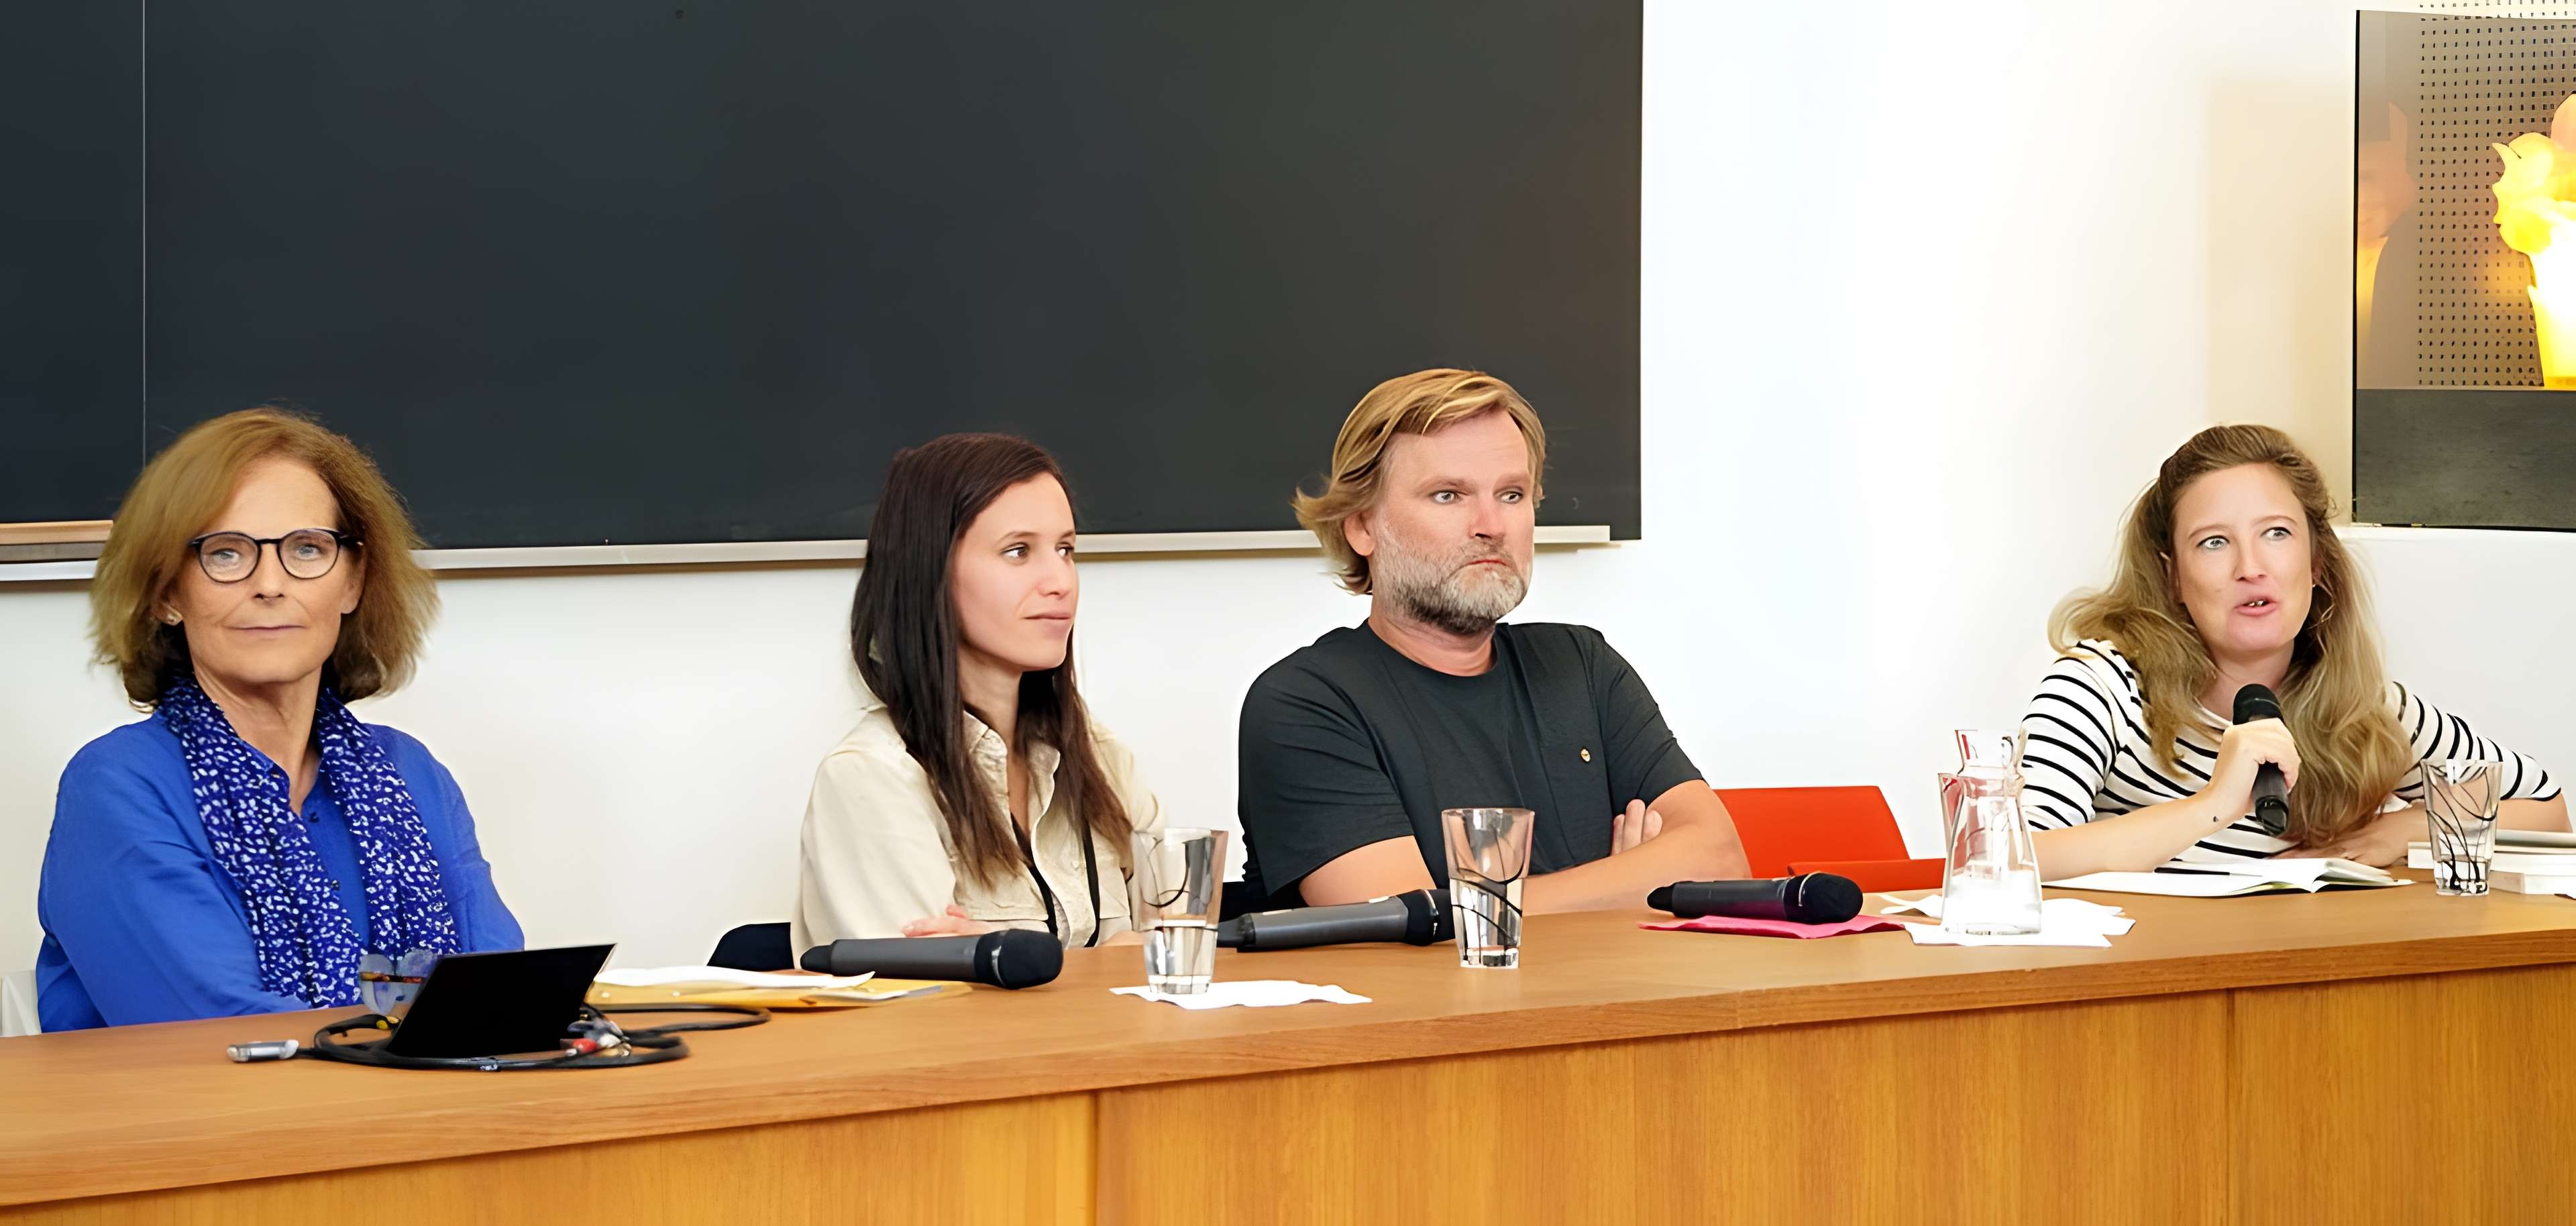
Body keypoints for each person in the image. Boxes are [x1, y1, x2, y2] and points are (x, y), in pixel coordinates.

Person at [36, 408, 522, 1031]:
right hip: (204, 1123)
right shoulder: (120, 786)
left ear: (353, 584)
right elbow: (214, 1033)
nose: (271, 583)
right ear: (166, 593)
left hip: (425, 1121)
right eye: (226, 553)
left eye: (308, 549)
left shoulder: (411, 774)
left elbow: (501, 995)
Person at [1235, 369, 1749, 912]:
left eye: (1512, 494)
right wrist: (1631, 883)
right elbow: (1403, 931)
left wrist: (1482, 904)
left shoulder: (1583, 666)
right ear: (1362, 527)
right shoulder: (1306, 704)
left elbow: (1722, 863)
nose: (1491, 525)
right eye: (1448, 495)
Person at [2017, 424, 2566, 875]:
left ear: (2316, 563)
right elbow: (2011, 858)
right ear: (2173, 578)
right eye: (2214, 543)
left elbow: (2546, 810)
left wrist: (2398, 829)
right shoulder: (2100, 687)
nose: (2250, 567)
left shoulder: (2364, 708)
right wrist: (2213, 806)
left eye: (2276, 534)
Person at [793, 434, 1164, 952]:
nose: (1060, 580)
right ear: (931, 573)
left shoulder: (1102, 757)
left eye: (1066, 549)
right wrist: (1106, 958)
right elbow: (931, 1008)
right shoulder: (871, 777)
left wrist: (1006, 956)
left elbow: (1181, 956)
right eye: (1018, 552)